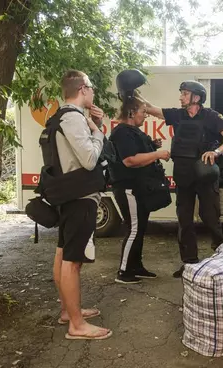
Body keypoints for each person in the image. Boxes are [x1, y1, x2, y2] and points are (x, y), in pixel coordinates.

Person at [137, 81, 223, 277]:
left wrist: (216, 152)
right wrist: (133, 92)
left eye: (184, 94)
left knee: (211, 218)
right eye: (181, 93)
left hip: (205, 174)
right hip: (183, 174)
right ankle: (189, 263)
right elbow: (150, 109)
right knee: (184, 220)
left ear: (196, 98)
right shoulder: (178, 114)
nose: (181, 97)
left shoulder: (211, 116)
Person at [52, 70, 111, 340]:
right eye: (92, 87)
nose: (94, 92)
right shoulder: (74, 118)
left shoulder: (59, 117)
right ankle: (76, 325)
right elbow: (88, 159)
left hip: (67, 196)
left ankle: (68, 311)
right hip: (79, 197)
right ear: (83, 89)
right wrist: (97, 131)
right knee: (72, 262)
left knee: (64, 255)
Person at [109, 96, 171, 284]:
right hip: (128, 188)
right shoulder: (121, 133)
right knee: (134, 229)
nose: (145, 116)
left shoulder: (133, 132)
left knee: (141, 227)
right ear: (130, 112)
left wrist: (153, 145)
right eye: (143, 112)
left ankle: (136, 266)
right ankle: (124, 271)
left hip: (139, 188)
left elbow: (139, 151)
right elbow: (130, 160)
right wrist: (158, 154)